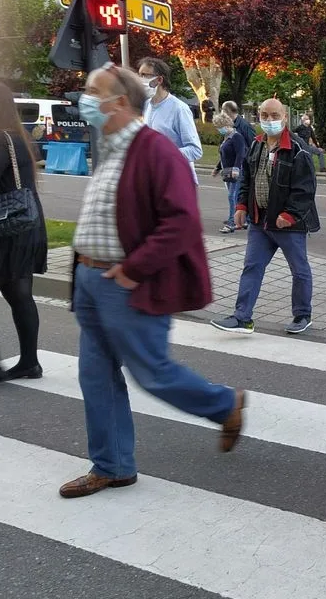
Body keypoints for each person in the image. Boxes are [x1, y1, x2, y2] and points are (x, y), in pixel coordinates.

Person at [60, 63, 245, 499]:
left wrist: (132, 270)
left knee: (153, 373)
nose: (85, 100)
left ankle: (225, 404)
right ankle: (112, 466)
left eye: (93, 92)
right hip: (90, 278)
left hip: (123, 281)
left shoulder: (156, 151)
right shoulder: (112, 147)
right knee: (95, 375)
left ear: (119, 102)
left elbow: (181, 222)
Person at [211, 98, 319, 335]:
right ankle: (242, 317)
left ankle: (302, 315)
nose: (269, 120)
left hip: (288, 224)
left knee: (299, 270)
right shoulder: (257, 144)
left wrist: (290, 215)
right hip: (261, 221)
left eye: (274, 115)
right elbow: (247, 178)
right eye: (264, 115)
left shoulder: (298, 149)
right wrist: (241, 205)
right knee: (252, 266)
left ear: (285, 116)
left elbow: (305, 190)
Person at [0, 79, 48, 392]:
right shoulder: (16, 137)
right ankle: (29, 361)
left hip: (3, 230)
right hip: (26, 224)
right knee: (19, 294)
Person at [138, 57, 202, 184]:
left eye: (145, 75)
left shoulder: (179, 109)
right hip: (154, 181)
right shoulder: (146, 106)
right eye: (139, 75)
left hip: (178, 181)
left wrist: (163, 154)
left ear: (159, 79)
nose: (140, 80)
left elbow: (195, 150)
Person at [211, 113, 248, 234]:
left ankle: (232, 223)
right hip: (227, 171)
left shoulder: (236, 137)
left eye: (219, 126)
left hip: (235, 171)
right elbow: (223, 155)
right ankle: (243, 220)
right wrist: (217, 168)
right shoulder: (226, 137)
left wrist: (236, 169)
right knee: (236, 197)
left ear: (226, 125)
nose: (218, 129)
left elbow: (240, 153)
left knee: (232, 196)